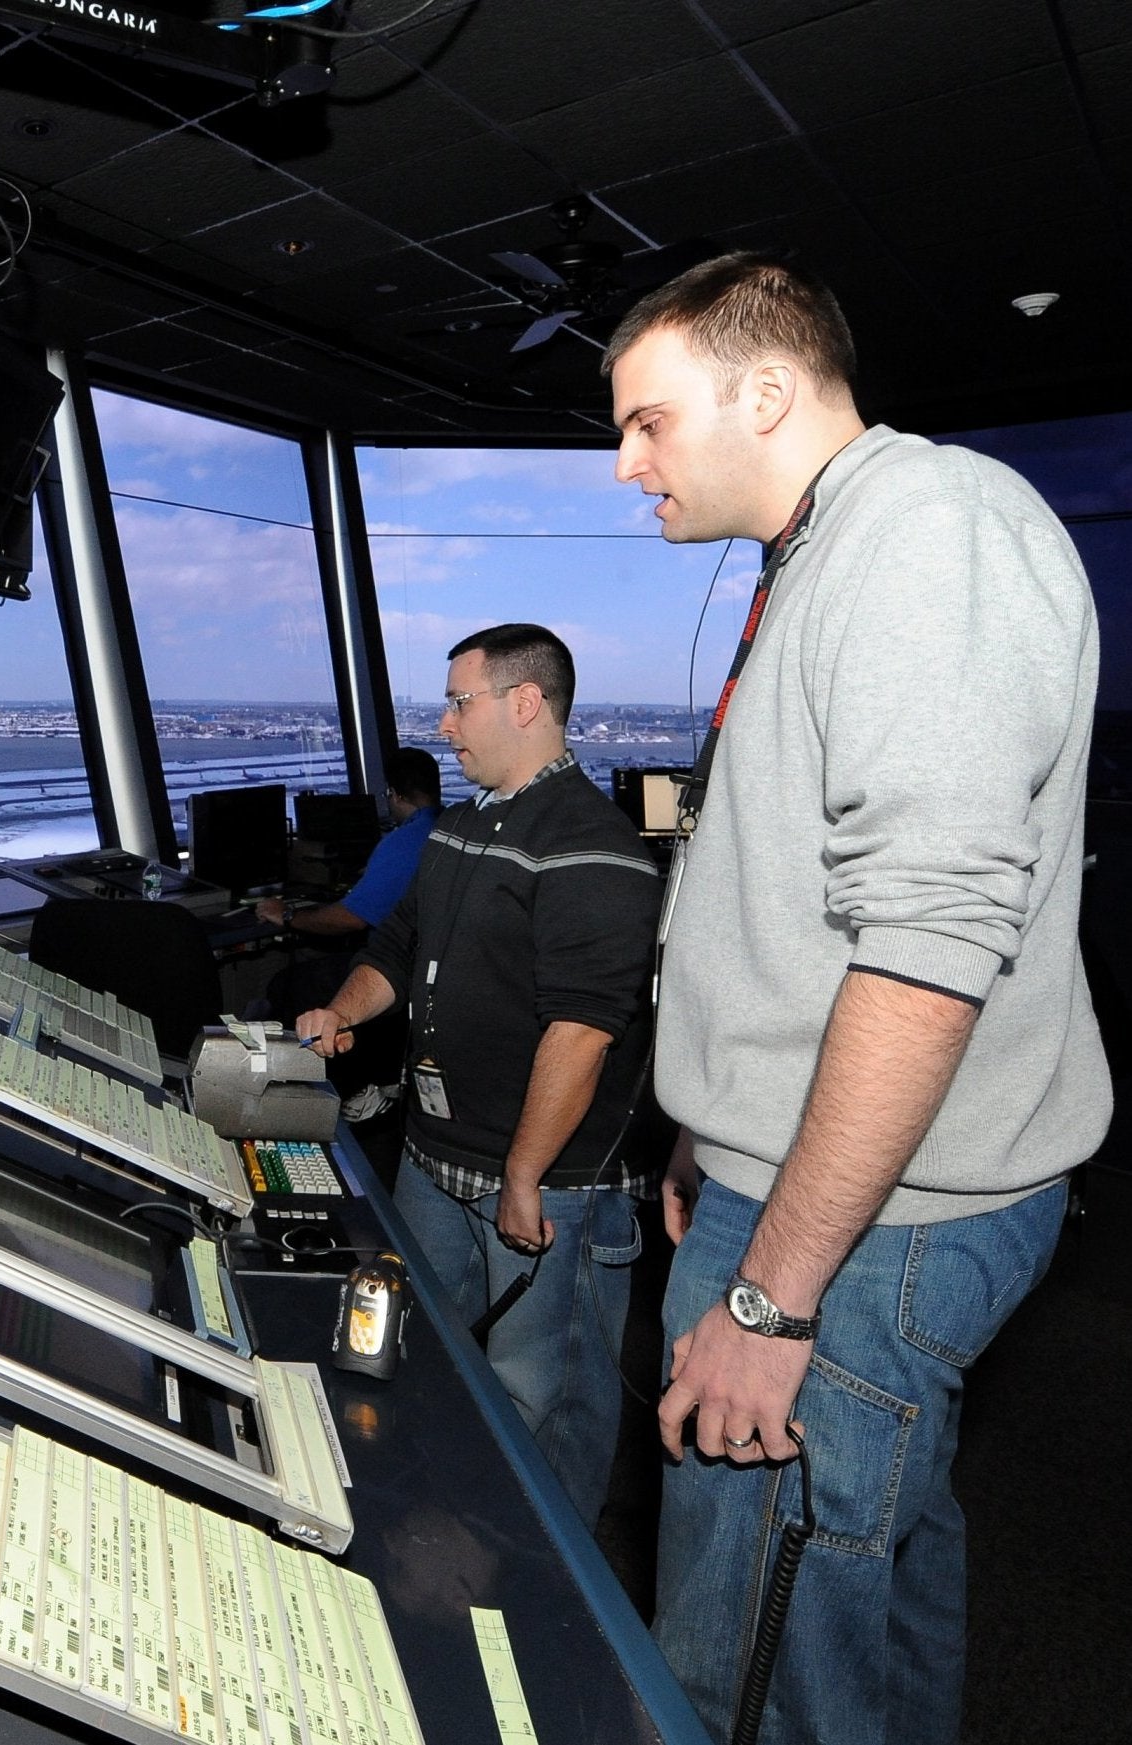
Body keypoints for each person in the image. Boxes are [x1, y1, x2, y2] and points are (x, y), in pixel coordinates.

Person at [605, 252, 1108, 1745]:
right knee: (869, 1583)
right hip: (816, 1188)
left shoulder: (926, 537)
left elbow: (927, 947)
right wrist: (714, 1128)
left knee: (751, 1651)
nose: (625, 461)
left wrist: (773, 1293)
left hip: (868, 1231)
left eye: (645, 420)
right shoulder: (828, 552)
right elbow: (800, 919)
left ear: (763, 392)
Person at [298, 625, 661, 1524]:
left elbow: (579, 1036)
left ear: (526, 703)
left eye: (462, 702)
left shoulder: (594, 848)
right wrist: (344, 1010)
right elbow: (395, 948)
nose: (446, 724)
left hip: (542, 1187)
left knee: (544, 1409)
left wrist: (525, 1174)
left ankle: (547, 1597)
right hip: (434, 1163)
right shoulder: (457, 832)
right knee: (424, 1363)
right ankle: (439, 1533)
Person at [256, 745, 444, 942]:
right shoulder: (455, 826)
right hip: (444, 954)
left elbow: (350, 920)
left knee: (290, 973)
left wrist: (287, 915)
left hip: (400, 963)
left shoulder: (403, 843)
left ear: (395, 794)